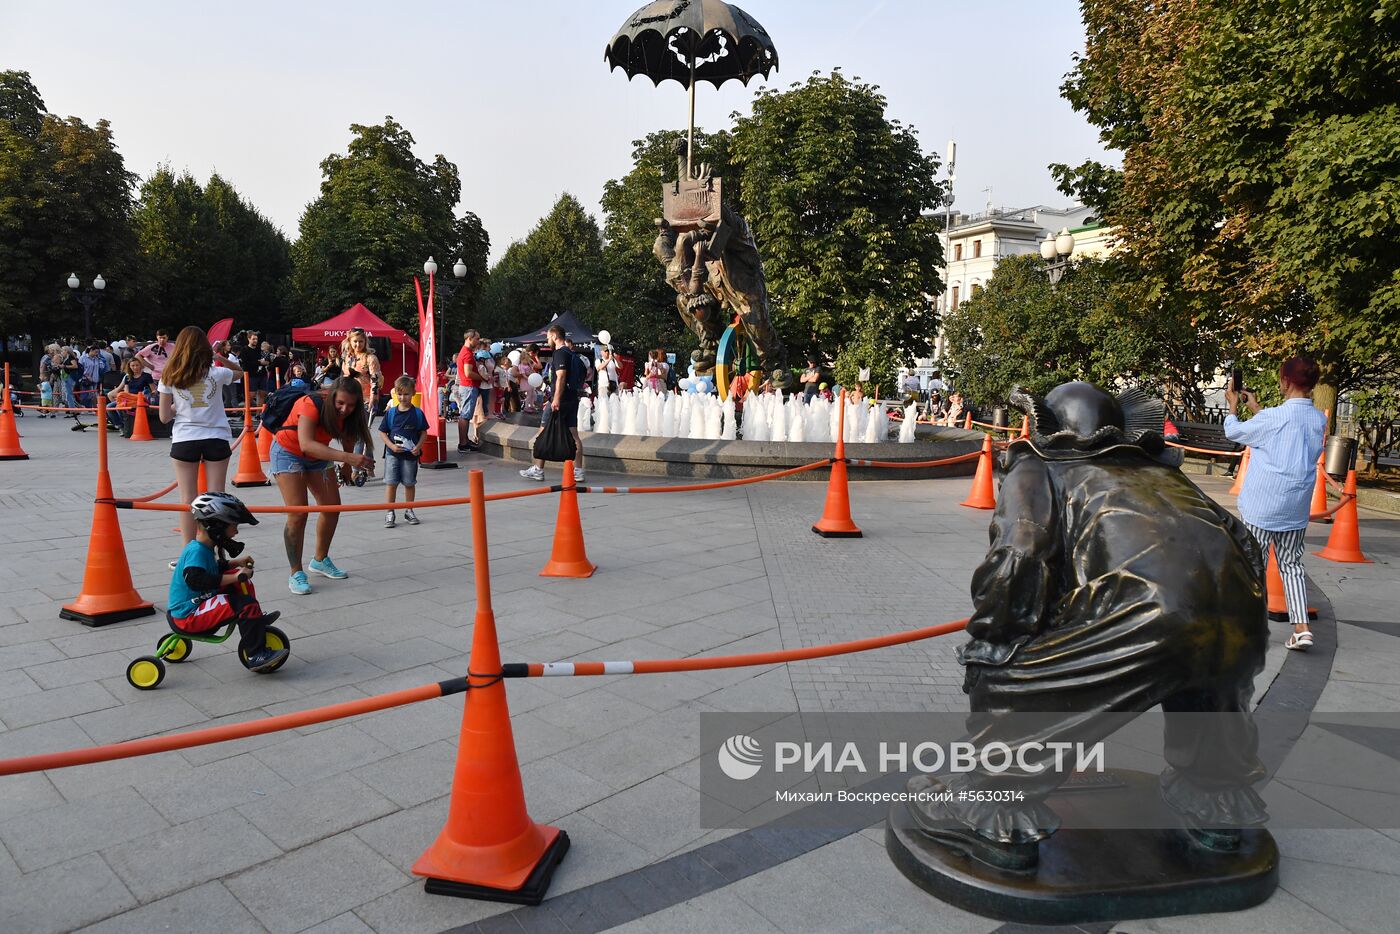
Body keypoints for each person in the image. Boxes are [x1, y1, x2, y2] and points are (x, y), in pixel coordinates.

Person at [1223, 356, 1337, 651]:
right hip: (1295, 506)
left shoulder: (1272, 418)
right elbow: (1281, 431)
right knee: (1291, 565)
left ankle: (1247, 628)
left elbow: (1234, 432)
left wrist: (1233, 406)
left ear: (1285, 382)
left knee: (1252, 566)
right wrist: (1256, 408)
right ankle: (1301, 628)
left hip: (1263, 506)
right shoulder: (1318, 419)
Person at [269, 377, 375, 595]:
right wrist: (347, 457)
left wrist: (346, 465)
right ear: (332, 396)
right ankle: (295, 572)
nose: (345, 409)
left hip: (319, 455)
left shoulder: (351, 414)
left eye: (351, 405)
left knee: (331, 508)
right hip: (288, 452)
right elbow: (306, 445)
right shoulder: (311, 403)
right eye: (341, 403)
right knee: (298, 514)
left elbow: (348, 436)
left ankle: (320, 559)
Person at [167, 492, 287, 673]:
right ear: (216, 526)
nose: (236, 531)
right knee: (244, 602)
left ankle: (253, 619)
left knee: (237, 581)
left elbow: (212, 569)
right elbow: (196, 580)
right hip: (188, 616)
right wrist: (236, 576)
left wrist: (234, 564)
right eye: (234, 525)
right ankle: (256, 655)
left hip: (195, 606)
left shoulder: (203, 548)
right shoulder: (196, 551)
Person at [158, 326, 243, 545]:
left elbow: (164, 417)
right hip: (216, 437)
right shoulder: (217, 373)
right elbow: (240, 373)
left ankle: (189, 552)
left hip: (185, 438)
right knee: (216, 497)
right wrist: (219, 357)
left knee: (187, 498)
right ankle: (215, 548)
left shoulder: (170, 375)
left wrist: (180, 407)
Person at [520, 324, 586, 483]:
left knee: (543, 432)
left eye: (548, 337)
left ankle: (538, 470)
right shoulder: (570, 353)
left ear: (555, 336)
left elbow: (561, 376)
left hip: (559, 400)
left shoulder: (559, 353)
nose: (547, 340)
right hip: (571, 399)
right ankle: (578, 470)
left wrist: (555, 399)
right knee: (574, 435)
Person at [379, 375, 428, 529]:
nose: (402, 397)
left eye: (406, 394)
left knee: (409, 483)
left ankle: (409, 510)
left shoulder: (418, 414)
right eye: (399, 394)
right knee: (391, 483)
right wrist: (391, 446)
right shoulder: (391, 413)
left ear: (413, 393)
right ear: (395, 394)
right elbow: (382, 432)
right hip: (392, 454)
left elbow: (423, 432)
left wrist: (418, 446)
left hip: (410, 456)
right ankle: (389, 511)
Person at [454, 330, 486, 451]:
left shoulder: (465, 352)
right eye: (477, 339)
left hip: (467, 386)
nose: (478, 341)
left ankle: (465, 441)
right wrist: (482, 378)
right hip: (469, 386)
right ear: (469, 339)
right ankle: (463, 444)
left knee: (465, 415)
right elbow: (468, 373)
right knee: (465, 415)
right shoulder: (467, 353)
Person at [106, 356, 156, 432]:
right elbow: (127, 392)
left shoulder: (147, 376)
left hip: (140, 399)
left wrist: (151, 396)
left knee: (120, 407)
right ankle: (120, 425)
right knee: (109, 407)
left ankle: (126, 425)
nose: (135, 367)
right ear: (129, 366)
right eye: (132, 366)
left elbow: (153, 390)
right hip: (129, 399)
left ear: (140, 366)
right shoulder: (128, 377)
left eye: (137, 365)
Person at [236, 331, 265, 409]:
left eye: (256, 339)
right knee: (251, 395)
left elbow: (265, 359)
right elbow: (245, 364)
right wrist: (258, 362)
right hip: (251, 375)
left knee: (262, 394)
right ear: (249, 339)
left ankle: (259, 414)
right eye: (253, 339)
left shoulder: (259, 350)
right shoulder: (245, 350)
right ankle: (245, 413)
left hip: (262, 374)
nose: (255, 341)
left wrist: (265, 362)